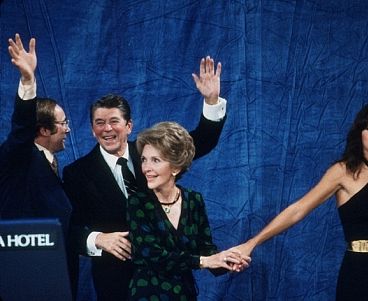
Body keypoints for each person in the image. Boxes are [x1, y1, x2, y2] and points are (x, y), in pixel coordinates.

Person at [233, 102, 368, 300]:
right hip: (356, 275)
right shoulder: (343, 171)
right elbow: (298, 209)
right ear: (360, 135)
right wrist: (252, 243)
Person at [63, 56, 229, 301]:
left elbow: (198, 142)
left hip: (171, 282)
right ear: (91, 129)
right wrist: (97, 239)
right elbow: (69, 230)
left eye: (113, 122)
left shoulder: (151, 153)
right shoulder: (77, 173)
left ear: (129, 126)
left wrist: (211, 101)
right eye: (99, 123)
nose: (106, 129)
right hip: (116, 282)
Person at [127, 122, 249, 300]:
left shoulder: (194, 200)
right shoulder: (137, 203)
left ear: (176, 167)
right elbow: (154, 256)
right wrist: (205, 261)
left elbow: (205, 248)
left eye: (156, 160)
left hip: (185, 294)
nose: (146, 168)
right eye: (144, 159)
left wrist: (227, 260)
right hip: (148, 294)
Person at [0, 33, 74, 297]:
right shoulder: (19, 156)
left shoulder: (51, 163)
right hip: (25, 271)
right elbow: (21, 130)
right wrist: (28, 80)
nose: (67, 130)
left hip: (55, 272)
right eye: (63, 124)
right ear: (43, 129)